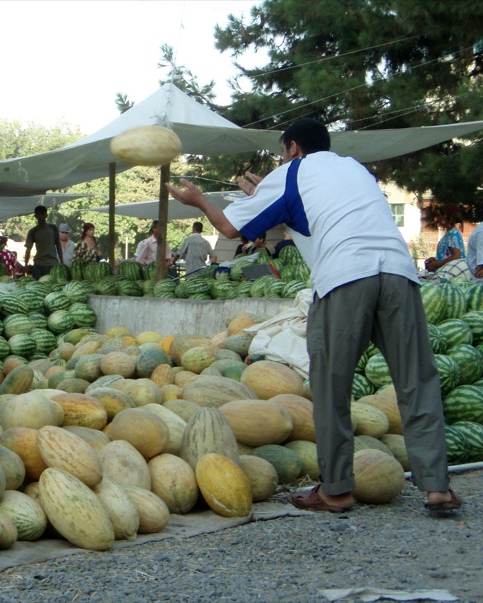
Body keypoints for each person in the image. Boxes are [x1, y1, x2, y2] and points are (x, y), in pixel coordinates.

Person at [166, 117, 460, 514]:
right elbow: (316, 211)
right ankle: (438, 488)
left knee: (331, 386)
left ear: (292, 148)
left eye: (282, 152)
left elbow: (231, 229)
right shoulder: (356, 168)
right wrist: (262, 195)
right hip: (398, 272)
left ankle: (336, 490)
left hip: (345, 278)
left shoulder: (290, 172)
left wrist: (200, 201)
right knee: (416, 379)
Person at [425, 210, 471, 279]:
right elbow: (447, 255)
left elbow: (456, 256)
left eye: (440, 216)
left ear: (447, 217)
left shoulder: (453, 233)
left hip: (453, 274)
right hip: (446, 272)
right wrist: (435, 260)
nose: (438, 219)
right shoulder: (449, 233)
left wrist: (437, 264)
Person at [24, 205, 63, 279]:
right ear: (35, 216)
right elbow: (28, 249)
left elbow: (58, 245)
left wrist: (62, 262)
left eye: (42, 214)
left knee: (52, 285)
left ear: (46, 215)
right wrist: (26, 265)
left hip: (52, 263)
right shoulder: (33, 231)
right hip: (39, 263)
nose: (40, 216)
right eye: (38, 215)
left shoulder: (53, 228)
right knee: (38, 285)